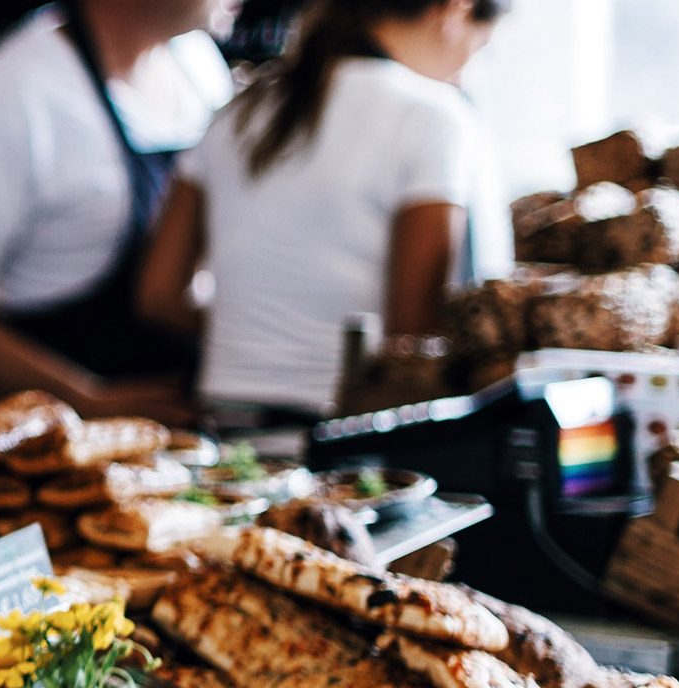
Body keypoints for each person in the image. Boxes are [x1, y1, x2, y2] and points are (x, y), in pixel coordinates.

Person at [137, 0, 512, 425]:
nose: (467, 71)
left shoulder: (238, 110)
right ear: (454, 12)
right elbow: (411, 337)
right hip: (342, 440)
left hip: (224, 428)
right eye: (480, 50)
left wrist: (260, 336)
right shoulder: (435, 117)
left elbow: (159, 296)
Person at [0, 0, 240, 425]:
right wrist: (86, 402)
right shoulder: (13, 95)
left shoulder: (199, 67)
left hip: (180, 437)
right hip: (44, 448)